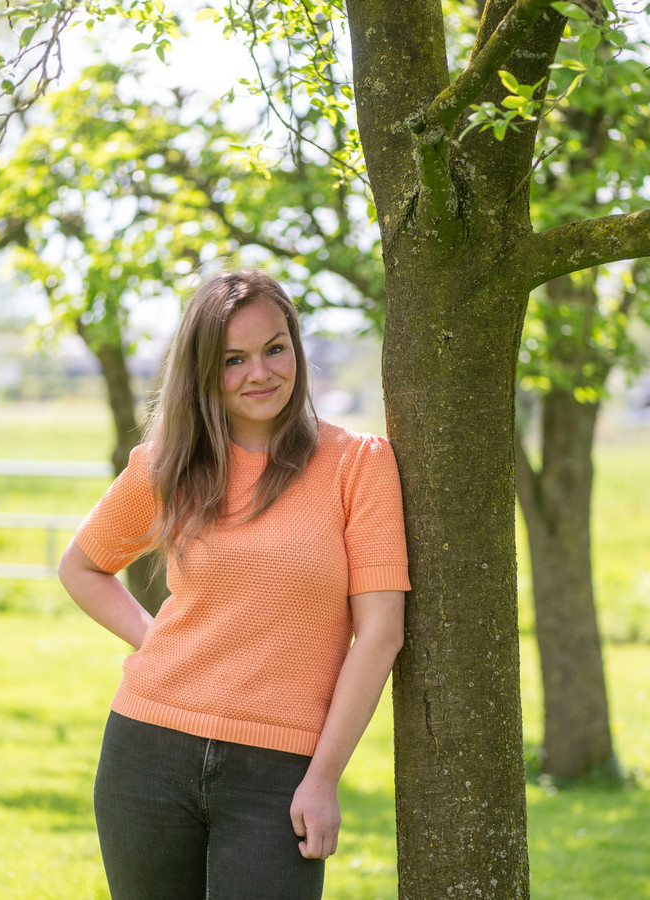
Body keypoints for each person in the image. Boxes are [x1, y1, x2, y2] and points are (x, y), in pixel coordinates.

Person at [57, 270, 409, 900]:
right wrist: (153, 638)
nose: (260, 373)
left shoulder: (358, 466)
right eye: (233, 360)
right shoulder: (170, 463)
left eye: (276, 348)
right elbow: (81, 567)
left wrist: (324, 777)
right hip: (147, 752)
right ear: (202, 371)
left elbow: (380, 634)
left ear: (297, 347)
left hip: (281, 771)